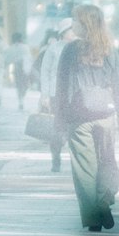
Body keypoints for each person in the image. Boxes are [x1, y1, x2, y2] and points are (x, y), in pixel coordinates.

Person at [55, 4, 119, 232]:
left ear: (84, 24)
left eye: (76, 21)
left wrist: (61, 117)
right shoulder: (109, 49)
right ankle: (104, 201)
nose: (73, 25)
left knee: (85, 168)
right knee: (107, 160)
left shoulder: (71, 50)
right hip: (106, 115)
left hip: (79, 117)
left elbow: (62, 86)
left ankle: (93, 217)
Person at [36, 20, 73, 175]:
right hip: (55, 94)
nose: (74, 33)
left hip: (74, 94)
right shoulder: (53, 49)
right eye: (71, 30)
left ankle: (76, 160)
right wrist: (44, 94)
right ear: (63, 32)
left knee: (74, 129)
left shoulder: (79, 48)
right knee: (56, 128)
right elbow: (45, 72)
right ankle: (56, 157)